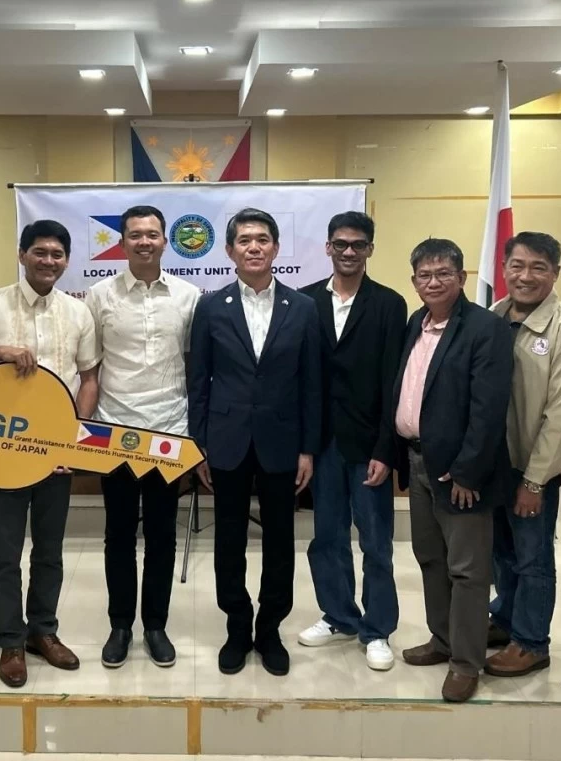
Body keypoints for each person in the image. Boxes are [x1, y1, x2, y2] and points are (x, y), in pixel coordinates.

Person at [0, 220, 99, 688]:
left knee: (50, 551)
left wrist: (73, 438)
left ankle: (42, 633)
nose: (49, 261)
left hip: (55, 455)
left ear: (67, 261)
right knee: (6, 553)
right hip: (4, 452)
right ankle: (11, 641)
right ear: (22, 254)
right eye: (40, 252)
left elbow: (89, 379)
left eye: (57, 254)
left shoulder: (78, 312)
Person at [187, 207, 321, 678]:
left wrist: (308, 448)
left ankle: (270, 628)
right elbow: (198, 379)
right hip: (225, 441)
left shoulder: (303, 308)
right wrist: (198, 444)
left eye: (263, 239)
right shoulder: (210, 307)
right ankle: (238, 625)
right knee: (229, 538)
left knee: (281, 539)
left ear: (276, 248)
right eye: (244, 240)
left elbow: (311, 383)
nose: (254, 247)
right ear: (229, 251)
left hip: (283, 442)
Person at [393, 238, 513, 703]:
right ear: (415, 281)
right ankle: (442, 640)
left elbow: (488, 409)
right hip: (419, 461)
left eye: (443, 273)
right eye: (424, 274)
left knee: (467, 570)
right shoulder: (414, 324)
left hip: (461, 474)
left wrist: (467, 472)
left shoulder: (484, 328)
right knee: (431, 559)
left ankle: (466, 661)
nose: (433, 282)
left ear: (461, 278)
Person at [85, 206, 200, 669]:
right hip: (113, 431)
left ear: (165, 241)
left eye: (153, 234)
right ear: (122, 242)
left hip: (169, 430)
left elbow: (195, 366)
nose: (144, 242)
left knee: (161, 536)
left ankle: (155, 626)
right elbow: (88, 368)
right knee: (117, 535)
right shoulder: (97, 295)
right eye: (135, 235)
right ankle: (120, 626)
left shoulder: (189, 296)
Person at [296, 211, 406, 672]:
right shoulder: (304, 302)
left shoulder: (389, 303)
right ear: (327, 247)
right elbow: (301, 380)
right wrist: (303, 446)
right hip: (322, 444)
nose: (348, 251)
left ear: (370, 250)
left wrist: (386, 449)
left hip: (368, 447)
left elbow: (392, 382)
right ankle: (339, 615)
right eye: (340, 243)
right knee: (327, 537)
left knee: (376, 541)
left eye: (358, 244)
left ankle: (377, 628)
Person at [484, 232, 561, 677]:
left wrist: (534, 481)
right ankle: (506, 618)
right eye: (518, 266)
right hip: (494, 465)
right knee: (501, 553)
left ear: (555, 273)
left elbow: (560, 415)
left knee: (533, 559)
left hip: (530, 469)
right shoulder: (493, 316)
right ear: (503, 269)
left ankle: (531, 641)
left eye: (538, 267)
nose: (526, 276)